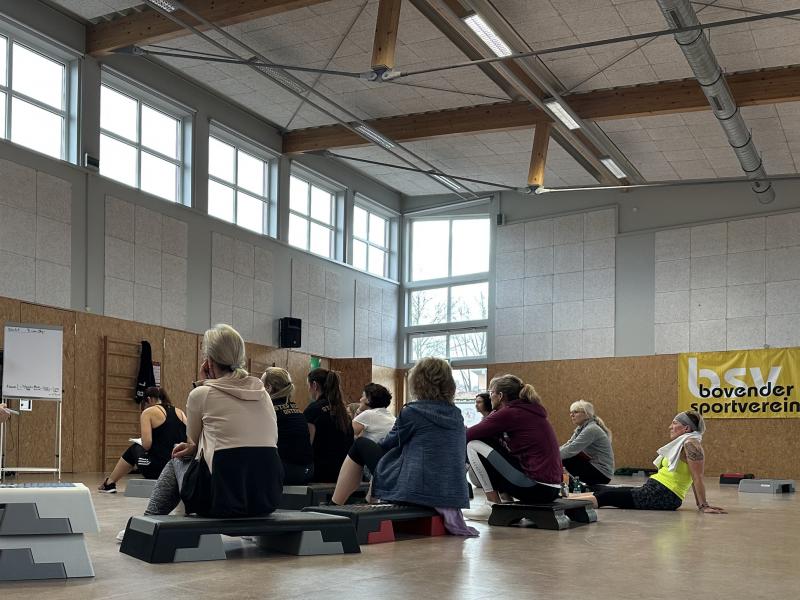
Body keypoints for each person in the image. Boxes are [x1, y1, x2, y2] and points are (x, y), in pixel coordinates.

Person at [144, 324, 283, 517]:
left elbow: (192, 442)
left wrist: (202, 383)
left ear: (208, 362)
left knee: (176, 460)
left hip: (222, 500)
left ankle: (149, 520)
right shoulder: (263, 394)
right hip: (267, 497)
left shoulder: (201, 394)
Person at [329, 357, 473, 532]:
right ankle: (368, 500)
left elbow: (388, 443)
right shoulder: (456, 415)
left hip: (416, 488)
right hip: (450, 492)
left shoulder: (412, 411)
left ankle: (335, 505)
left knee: (361, 445)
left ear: (417, 382)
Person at [574, 411, 725, 514]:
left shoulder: (691, 444)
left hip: (665, 495)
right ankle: (565, 500)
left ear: (686, 428)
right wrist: (700, 505)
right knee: (604, 490)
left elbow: (697, 477)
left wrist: (703, 505)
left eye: (674, 423)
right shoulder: (685, 443)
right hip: (655, 489)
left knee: (608, 496)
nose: (670, 427)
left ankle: (564, 505)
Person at [463, 374, 563, 520]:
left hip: (536, 488)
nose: (490, 397)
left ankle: (492, 505)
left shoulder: (510, 412)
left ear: (500, 396)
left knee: (473, 444)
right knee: (493, 446)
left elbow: (467, 435)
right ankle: (506, 500)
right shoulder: (528, 410)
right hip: (552, 489)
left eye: (491, 392)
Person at [98, 387, 187, 493]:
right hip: (178, 469)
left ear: (149, 399)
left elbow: (147, 444)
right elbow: (188, 441)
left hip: (158, 469)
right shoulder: (181, 413)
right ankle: (109, 482)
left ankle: (109, 483)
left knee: (134, 448)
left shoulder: (148, 412)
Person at [261, 367, 314, 485]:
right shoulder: (296, 409)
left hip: (289, 471)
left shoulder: (268, 410)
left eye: (261, 385)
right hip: (308, 469)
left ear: (269, 388)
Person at [304, 367, 353, 482]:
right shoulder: (343, 411)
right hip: (343, 471)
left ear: (314, 385)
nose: (308, 390)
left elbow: (307, 445)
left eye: (308, 386)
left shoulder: (313, 410)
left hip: (320, 472)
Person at [559, 399, 615, 486]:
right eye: (571, 412)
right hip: (597, 471)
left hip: (602, 475)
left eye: (575, 412)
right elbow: (568, 444)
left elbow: (571, 449)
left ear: (586, 414)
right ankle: (569, 484)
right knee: (563, 455)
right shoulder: (581, 429)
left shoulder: (591, 429)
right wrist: (551, 454)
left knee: (567, 457)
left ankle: (570, 485)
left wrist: (551, 457)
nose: (571, 415)